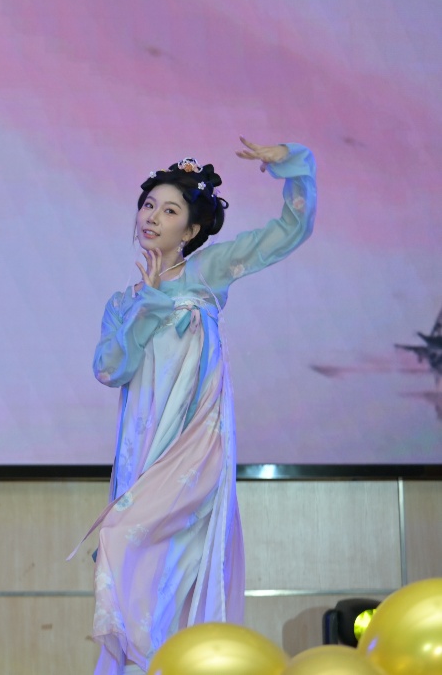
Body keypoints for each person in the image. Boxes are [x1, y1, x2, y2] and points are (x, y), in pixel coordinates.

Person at [75, 137, 317, 675]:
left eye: (169, 210)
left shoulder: (208, 272)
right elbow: (110, 369)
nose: (152, 217)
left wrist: (294, 165)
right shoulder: (124, 302)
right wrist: (146, 304)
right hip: (145, 457)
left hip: (195, 450)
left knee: (123, 538)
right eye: (148, 205)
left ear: (190, 230)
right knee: (152, 572)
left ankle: (150, 661)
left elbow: (289, 230)